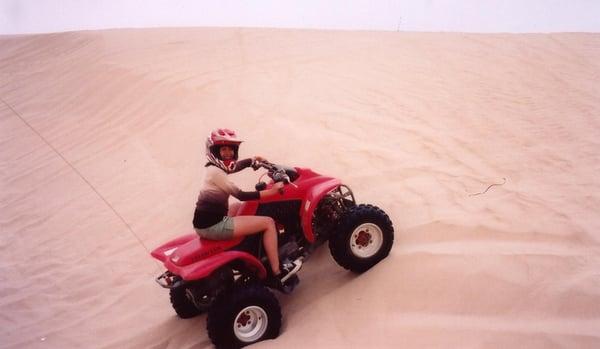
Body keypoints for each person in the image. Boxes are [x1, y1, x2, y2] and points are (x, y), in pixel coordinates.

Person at [193, 128, 292, 286]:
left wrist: (253, 161)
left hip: (204, 222)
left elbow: (233, 167)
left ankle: (252, 246)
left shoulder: (214, 168)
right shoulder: (215, 173)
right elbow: (241, 194)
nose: (227, 153)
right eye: (223, 149)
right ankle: (277, 272)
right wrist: (272, 192)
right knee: (268, 222)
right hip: (214, 226)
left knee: (238, 207)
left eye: (230, 149)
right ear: (215, 151)